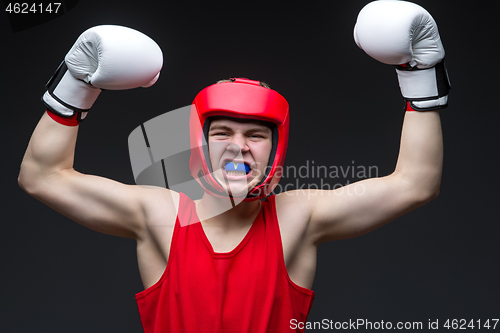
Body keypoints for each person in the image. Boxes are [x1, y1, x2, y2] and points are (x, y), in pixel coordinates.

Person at [18, 1, 449, 332]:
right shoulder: (161, 215)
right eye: (222, 132)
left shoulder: (298, 217)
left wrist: (421, 75)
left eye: (255, 135)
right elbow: (42, 177)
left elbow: (415, 184)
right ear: (198, 143)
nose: (238, 147)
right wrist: (74, 87)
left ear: (275, 147)